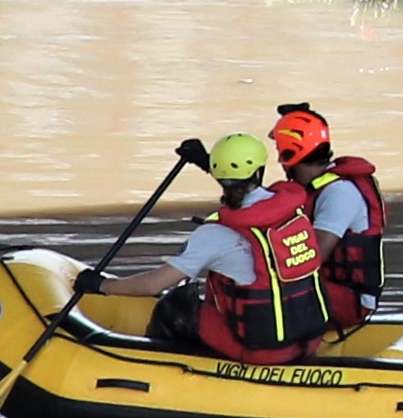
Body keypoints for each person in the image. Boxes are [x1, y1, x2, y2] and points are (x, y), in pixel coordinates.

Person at [82, 132, 333, 364]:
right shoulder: (291, 212)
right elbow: (246, 192)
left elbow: (153, 285)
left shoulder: (215, 234)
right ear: (260, 171)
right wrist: (206, 163)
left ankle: (165, 372)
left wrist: (100, 285)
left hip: (262, 350)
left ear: (220, 176)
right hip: (307, 339)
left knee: (174, 306)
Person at [269, 103, 388, 331]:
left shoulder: (339, 193)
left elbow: (310, 259)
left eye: (279, 151)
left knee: (261, 291)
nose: (278, 161)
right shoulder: (318, 187)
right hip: (328, 288)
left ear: (291, 153)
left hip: (349, 300)